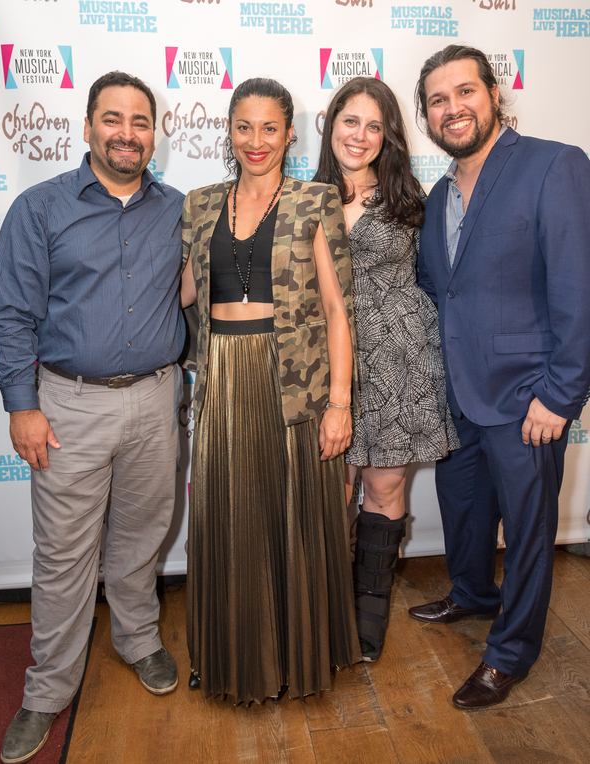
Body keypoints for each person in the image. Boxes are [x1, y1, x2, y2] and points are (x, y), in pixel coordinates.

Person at [0, 72, 185, 763]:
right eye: (113, 118)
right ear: (87, 126)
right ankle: (47, 689)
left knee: (141, 537)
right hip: (67, 404)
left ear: (154, 132)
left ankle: (138, 639)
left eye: (139, 121)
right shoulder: (39, 209)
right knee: (65, 555)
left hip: (157, 398)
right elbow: (11, 314)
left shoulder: (179, 210)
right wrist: (23, 407)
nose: (126, 132)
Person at [410, 44, 590, 709]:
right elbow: (439, 290)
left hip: (526, 397)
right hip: (458, 396)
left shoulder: (554, 164)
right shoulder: (436, 193)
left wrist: (561, 393)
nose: (452, 107)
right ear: (427, 115)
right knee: (464, 510)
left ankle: (510, 651)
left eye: (465, 92)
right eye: (437, 99)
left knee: (529, 529)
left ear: (494, 94)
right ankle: (472, 595)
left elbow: (579, 285)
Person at [180, 78, 361, 704]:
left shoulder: (316, 201)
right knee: (228, 516)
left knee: (292, 518)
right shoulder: (199, 204)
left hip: (294, 381)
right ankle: (230, 656)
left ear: (289, 133)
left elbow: (339, 309)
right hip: (222, 375)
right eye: (243, 127)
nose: (255, 142)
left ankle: (294, 655)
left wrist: (340, 403)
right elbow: (180, 293)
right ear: (228, 131)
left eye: (269, 128)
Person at [314, 77, 459, 663]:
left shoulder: (408, 198)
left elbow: (442, 277)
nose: (361, 135)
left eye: (375, 126)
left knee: (384, 484)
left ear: (389, 136)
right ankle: (321, 607)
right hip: (323, 359)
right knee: (329, 488)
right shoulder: (300, 193)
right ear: (331, 124)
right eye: (351, 121)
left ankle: (368, 611)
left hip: (399, 357)